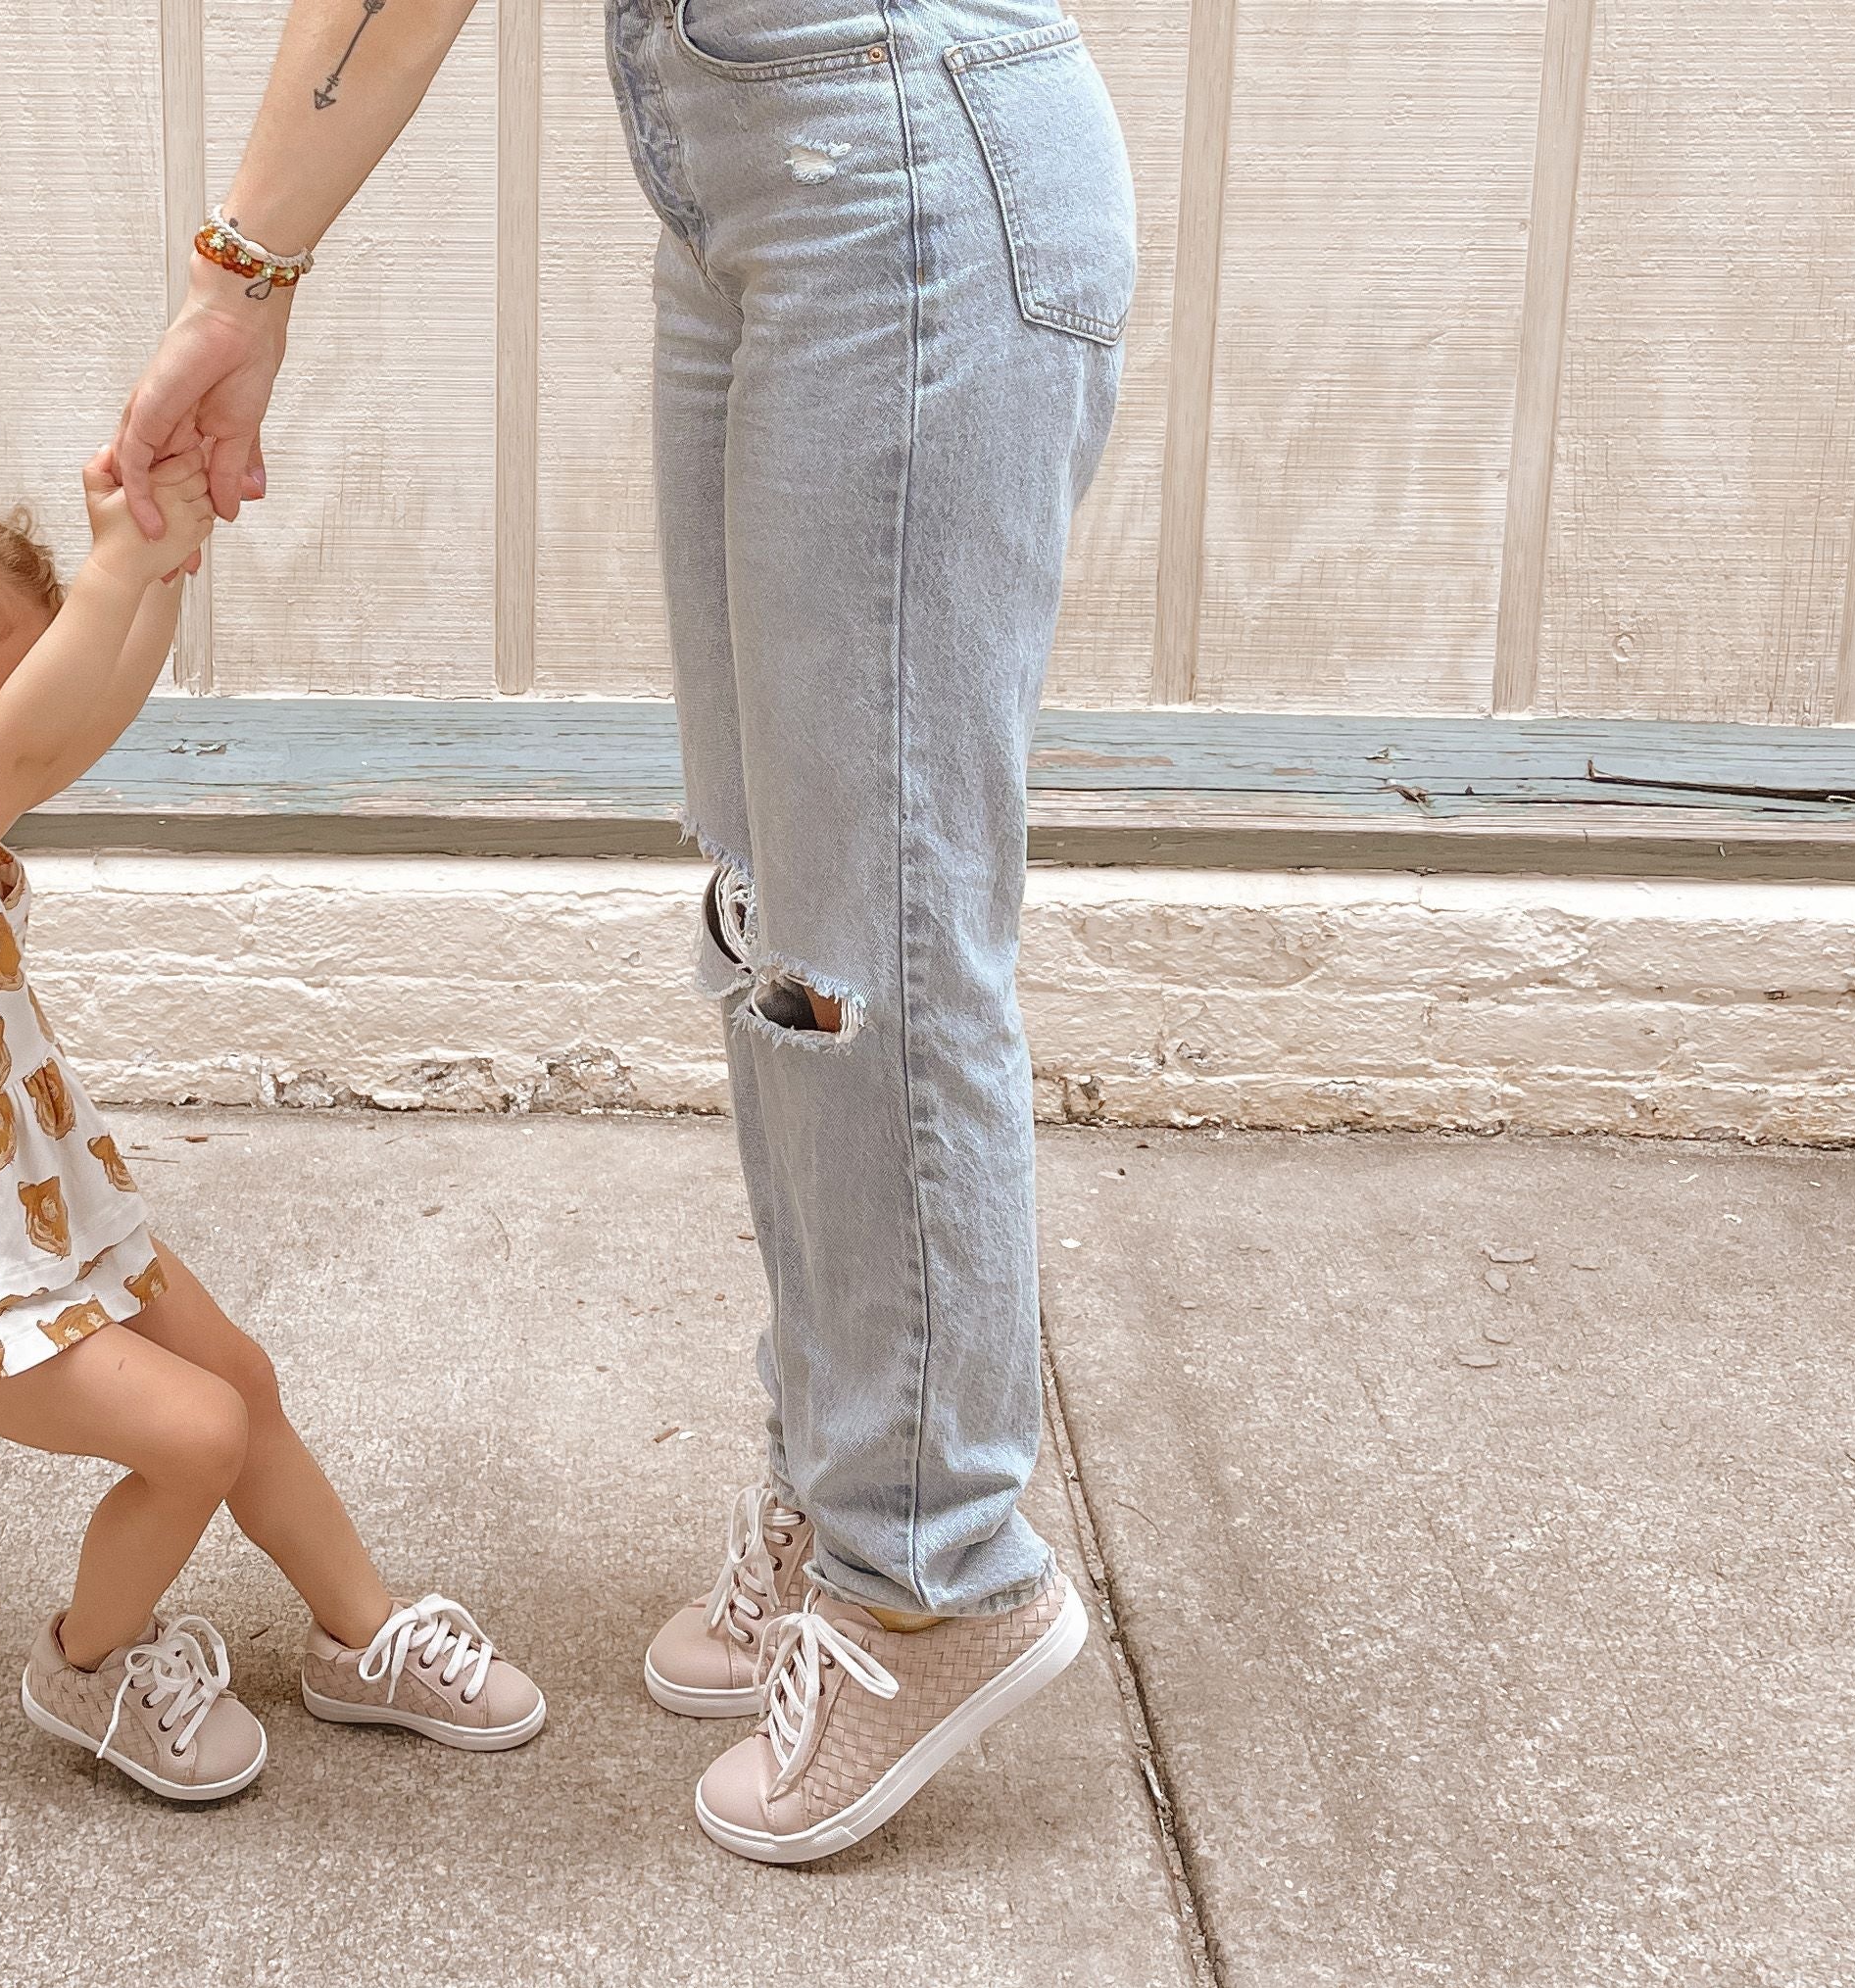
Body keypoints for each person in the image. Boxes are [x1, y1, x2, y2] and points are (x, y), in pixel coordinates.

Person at [115, 0, 1134, 1861]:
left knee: (874, 932)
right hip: (764, 181)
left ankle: (935, 1570)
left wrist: (246, 274)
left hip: (894, 169)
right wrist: (248, 277)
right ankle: (849, 1494)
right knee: (781, 908)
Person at [0, 446, 547, 1804]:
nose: (23, 735)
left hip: (36, 1217)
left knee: (245, 1380)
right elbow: (34, 740)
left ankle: (361, 1638)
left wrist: (153, 572)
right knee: (195, 1432)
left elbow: (73, 724)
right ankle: (86, 1664)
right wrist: (114, 572)